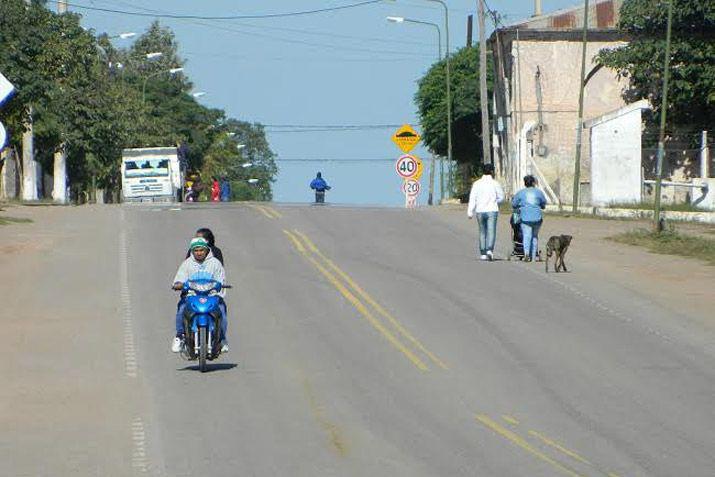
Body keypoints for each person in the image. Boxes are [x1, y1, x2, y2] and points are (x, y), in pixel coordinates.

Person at [171, 237, 228, 353]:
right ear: (192, 251)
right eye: (196, 250)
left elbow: (221, 280)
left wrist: (219, 286)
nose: (199, 253)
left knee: (221, 309)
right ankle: (180, 336)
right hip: (191, 296)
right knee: (182, 309)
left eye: (201, 250)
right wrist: (178, 285)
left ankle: (221, 339)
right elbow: (178, 280)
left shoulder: (215, 263)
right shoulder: (187, 264)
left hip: (211, 296)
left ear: (206, 250)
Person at [467, 164, 505, 261]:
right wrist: (495, 201)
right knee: (491, 231)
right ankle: (490, 250)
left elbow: (472, 198)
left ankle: (483, 253)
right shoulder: (495, 183)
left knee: (482, 232)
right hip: (492, 209)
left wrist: (470, 211)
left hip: (480, 210)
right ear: (492, 172)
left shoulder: (477, 184)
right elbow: (501, 197)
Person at [511, 175, 547, 262]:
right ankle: (533, 256)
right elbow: (543, 203)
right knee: (534, 236)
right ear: (534, 183)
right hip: (537, 218)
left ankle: (526, 254)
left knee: (527, 235)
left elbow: (514, 204)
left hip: (525, 218)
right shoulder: (539, 192)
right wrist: (540, 206)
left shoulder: (520, 193)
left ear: (525, 183)